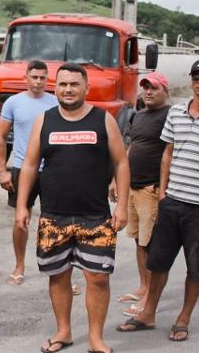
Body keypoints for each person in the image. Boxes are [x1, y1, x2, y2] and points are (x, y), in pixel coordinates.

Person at [117, 57, 199, 343]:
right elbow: (168, 153)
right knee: (158, 262)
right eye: (196, 77)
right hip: (172, 201)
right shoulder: (176, 114)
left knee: (196, 266)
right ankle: (148, 313)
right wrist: (162, 192)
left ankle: (183, 317)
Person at [15, 62, 129, 353]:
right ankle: (63, 332)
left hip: (96, 216)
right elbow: (29, 165)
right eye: (63, 84)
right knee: (58, 275)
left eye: (74, 84)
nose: (68, 89)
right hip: (54, 216)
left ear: (86, 88)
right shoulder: (45, 120)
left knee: (98, 278)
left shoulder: (104, 120)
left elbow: (121, 162)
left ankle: (95, 339)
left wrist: (123, 207)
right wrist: (22, 206)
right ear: (56, 87)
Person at [110, 72, 170, 317]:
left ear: (165, 91)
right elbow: (130, 147)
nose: (148, 92)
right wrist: (116, 180)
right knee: (137, 239)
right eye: (145, 87)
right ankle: (143, 286)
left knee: (151, 242)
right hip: (132, 186)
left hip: (151, 188)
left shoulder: (170, 116)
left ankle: (150, 296)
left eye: (154, 88)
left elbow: (171, 152)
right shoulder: (139, 115)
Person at [0, 60, 58, 286]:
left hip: (51, 168)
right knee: (21, 219)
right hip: (23, 168)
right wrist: (2, 170)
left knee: (54, 221)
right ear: (26, 78)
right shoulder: (13, 102)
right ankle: (19, 265)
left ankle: (58, 270)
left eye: (43, 77)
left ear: (47, 79)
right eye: (34, 77)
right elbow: (0, 137)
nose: (38, 81)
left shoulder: (55, 102)